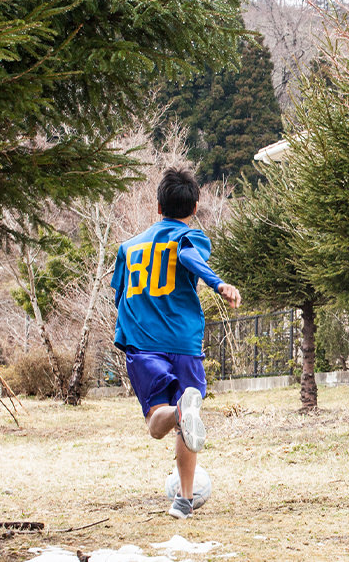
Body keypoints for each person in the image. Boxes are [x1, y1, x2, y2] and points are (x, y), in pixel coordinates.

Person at [111, 168, 241, 519]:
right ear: (195, 207)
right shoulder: (191, 237)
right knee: (190, 414)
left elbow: (119, 293)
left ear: (157, 207)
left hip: (143, 343)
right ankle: (183, 501)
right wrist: (217, 284)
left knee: (157, 420)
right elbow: (187, 257)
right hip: (184, 341)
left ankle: (179, 411)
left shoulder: (128, 248)